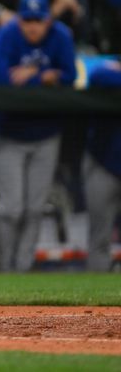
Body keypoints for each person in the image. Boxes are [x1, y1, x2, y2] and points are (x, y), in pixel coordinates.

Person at [0, 0, 77, 272]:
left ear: (48, 20)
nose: (33, 26)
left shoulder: (61, 35)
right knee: (11, 208)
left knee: (35, 209)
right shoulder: (7, 35)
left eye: (38, 20)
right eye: (27, 20)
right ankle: (4, 268)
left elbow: (71, 76)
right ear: (19, 19)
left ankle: (22, 271)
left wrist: (29, 75)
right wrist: (45, 76)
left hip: (46, 134)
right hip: (10, 133)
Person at [83, 60, 121, 271]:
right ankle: (96, 301)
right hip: (103, 163)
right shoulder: (108, 69)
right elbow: (97, 75)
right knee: (99, 238)